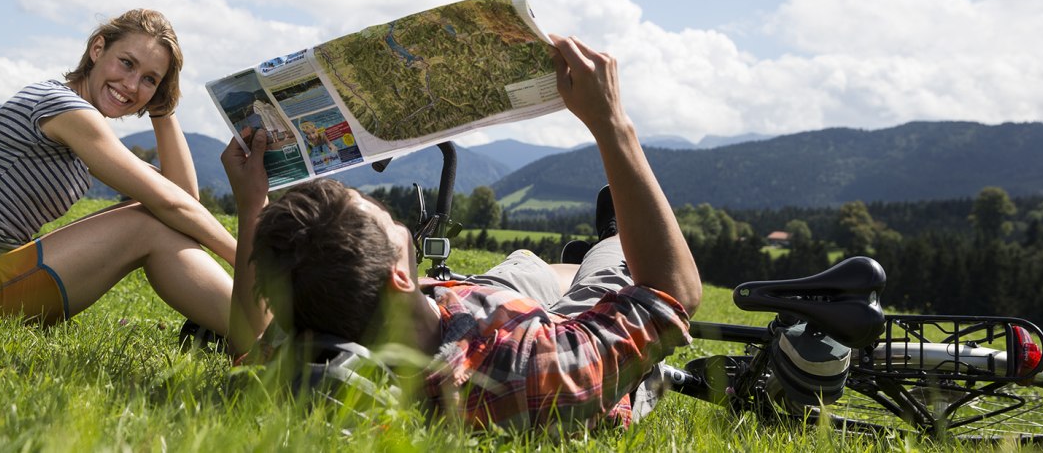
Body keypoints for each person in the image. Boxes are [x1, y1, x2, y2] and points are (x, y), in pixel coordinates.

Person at [221, 34, 701, 429]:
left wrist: (251, 207)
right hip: (537, 335)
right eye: (390, 223)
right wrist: (613, 124)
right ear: (400, 278)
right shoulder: (536, 365)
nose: (397, 220)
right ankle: (610, 242)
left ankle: (584, 259)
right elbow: (672, 295)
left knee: (526, 266)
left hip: (466, 304)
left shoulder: (318, 339)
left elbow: (250, 341)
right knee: (608, 267)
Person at [0, 9, 235, 338]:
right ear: (97, 49)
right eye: (127, 63)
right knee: (146, 223)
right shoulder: (62, 108)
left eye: (150, 79)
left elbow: (183, 198)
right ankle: (263, 335)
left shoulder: (79, 127)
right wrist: (252, 263)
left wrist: (162, 108)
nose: (132, 85)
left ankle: (247, 328)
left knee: (151, 213)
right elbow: (174, 205)